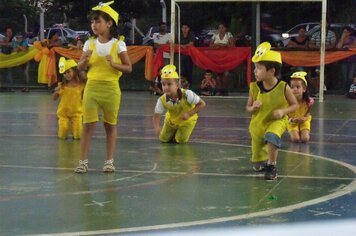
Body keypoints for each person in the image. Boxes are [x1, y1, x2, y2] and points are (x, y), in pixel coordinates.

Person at [75, 1, 132, 173]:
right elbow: (79, 67)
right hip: (92, 87)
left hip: (111, 89)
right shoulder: (89, 44)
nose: (94, 25)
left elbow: (128, 67)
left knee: (110, 125)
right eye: (93, 22)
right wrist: (84, 61)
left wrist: (114, 64)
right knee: (88, 125)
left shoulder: (118, 44)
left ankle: (109, 161)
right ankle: (83, 161)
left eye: (98, 21)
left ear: (109, 23)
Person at [245, 42, 298, 180]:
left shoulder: (283, 87)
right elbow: (248, 108)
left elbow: (294, 105)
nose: (255, 71)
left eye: (259, 68)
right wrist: (253, 107)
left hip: (277, 121)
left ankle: (272, 165)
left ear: (272, 71)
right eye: (255, 68)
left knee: (272, 135)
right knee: (256, 163)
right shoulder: (254, 87)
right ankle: (262, 159)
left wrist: (283, 111)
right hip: (258, 124)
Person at [153, 64, 206, 144]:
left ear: (177, 85)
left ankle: (179, 133)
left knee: (180, 141)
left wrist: (189, 114)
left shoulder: (187, 94)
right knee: (163, 139)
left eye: (169, 84)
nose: (166, 87)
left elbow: (202, 104)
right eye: (163, 84)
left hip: (187, 121)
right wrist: (157, 128)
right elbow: (156, 115)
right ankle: (172, 131)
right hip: (171, 121)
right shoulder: (161, 100)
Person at [53, 57, 85, 140]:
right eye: (64, 73)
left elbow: (85, 97)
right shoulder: (62, 86)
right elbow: (54, 98)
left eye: (68, 72)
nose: (67, 75)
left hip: (77, 113)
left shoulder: (81, 85)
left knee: (78, 135)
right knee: (62, 134)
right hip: (63, 113)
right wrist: (56, 91)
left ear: (74, 71)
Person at [287, 71, 314, 143]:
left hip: (303, 120)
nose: (295, 89)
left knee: (305, 139)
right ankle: (296, 131)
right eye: (292, 87)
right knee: (295, 139)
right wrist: (292, 120)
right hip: (292, 121)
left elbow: (308, 112)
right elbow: (285, 116)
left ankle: (302, 130)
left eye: (298, 87)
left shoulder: (308, 101)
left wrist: (305, 118)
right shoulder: (287, 102)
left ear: (304, 89)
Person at [336, 26, 356, 95]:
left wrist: (347, 46)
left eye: (346, 32)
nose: (345, 33)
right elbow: (338, 47)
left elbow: (355, 46)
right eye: (344, 32)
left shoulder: (353, 38)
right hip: (344, 60)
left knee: (350, 76)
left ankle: (349, 91)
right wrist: (342, 37)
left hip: (352, 59)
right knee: (344, 76)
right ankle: (344, 91)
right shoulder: (341, 39)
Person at [0, 26, 15, 92]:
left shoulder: (14, 39)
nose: (9, 33)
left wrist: (5, 44)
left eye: (10, 31)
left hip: (10, 59)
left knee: (9, 74)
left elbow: (14, 45)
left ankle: (10, 88)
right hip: (2, 59)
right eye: (8, 31)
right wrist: (7, 44)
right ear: (6, 32)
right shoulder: (3, 38)